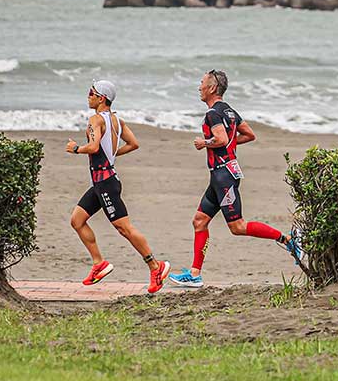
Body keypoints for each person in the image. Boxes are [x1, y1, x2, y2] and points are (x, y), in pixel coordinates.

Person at [170, 69, 303, 287]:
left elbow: (221, 139)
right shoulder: (230, 112)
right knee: (199, 221)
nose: (199, 87)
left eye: (202, 83)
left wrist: (205, 143)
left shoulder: (213, 114)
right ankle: (194, 274)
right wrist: (228, 143)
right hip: (220, 177)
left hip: (224, 177)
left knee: (238, 227)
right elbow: (249, 135)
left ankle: (288, 240)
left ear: (212, 88)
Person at [66, 79, 171, 293]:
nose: (88, 96)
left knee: (124, 228)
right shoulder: (116, 121)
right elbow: (133, 144)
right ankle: (99, 264)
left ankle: (155, 266)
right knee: (77, 220)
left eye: (91, 92)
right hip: (101, 182)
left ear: (101, 98)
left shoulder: (96, 119)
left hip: (106, 183)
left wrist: (76, 148)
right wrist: (112, 157)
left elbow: (94, 147)